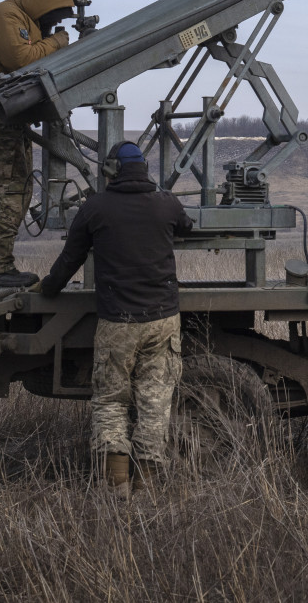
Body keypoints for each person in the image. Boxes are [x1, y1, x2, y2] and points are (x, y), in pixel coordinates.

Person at [39, 141, 194, 494]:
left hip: (118, 324)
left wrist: (49, 288)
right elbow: (186, 227)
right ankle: (147, 487)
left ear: (111, 171)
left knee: (110, 401)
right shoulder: (166, 204)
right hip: (163, 320)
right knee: (156, 401)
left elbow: (69, 260)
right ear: (143, 169)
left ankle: (118, 486)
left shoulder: (96, 208)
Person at [0, 0, 76, 287]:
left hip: (7, 120)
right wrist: (57, 42)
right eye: (51, 16)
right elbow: (21, 60)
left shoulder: (21, 19)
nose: (51, 23)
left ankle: (0, 266)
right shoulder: (6, 15)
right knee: (9, 193)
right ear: (41, 5)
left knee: (21, 191)